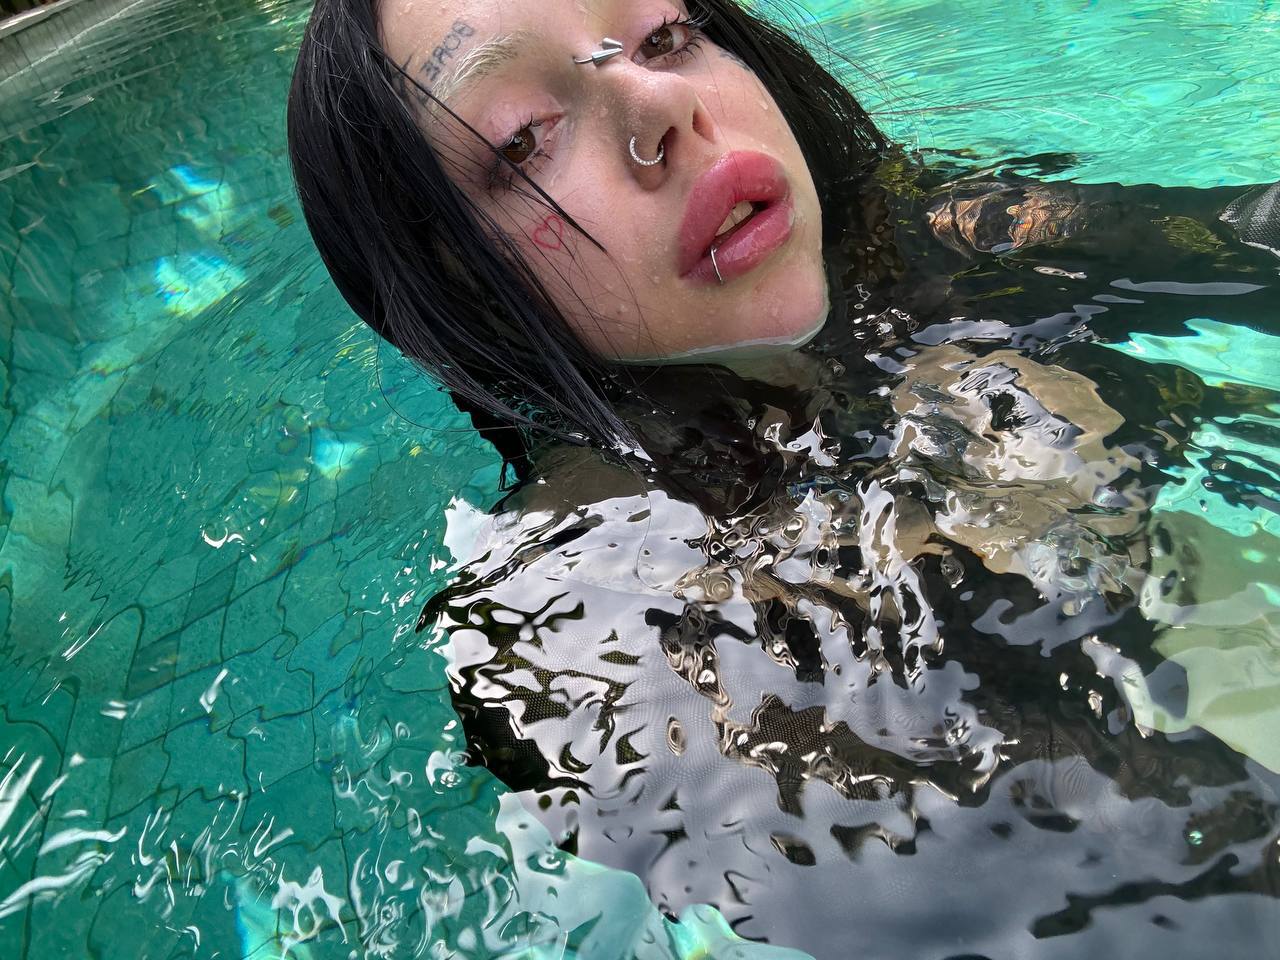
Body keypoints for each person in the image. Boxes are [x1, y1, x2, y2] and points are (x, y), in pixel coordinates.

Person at [286, 1, 1280, 956]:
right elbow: (1115, 891)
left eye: (664, 35)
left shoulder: (952, 242)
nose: (659, 102)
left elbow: (1245, 235)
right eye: (522, 137)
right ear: (454, 282)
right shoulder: (570, 632)